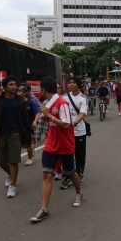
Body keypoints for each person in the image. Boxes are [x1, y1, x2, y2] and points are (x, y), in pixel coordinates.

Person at [30, 76, 83, 223]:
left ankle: (79, 193)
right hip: (51, 145)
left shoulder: (62, 103)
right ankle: (44, 209)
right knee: (46, 174)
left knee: (70, 172)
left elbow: (66, 124)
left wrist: (49, 116)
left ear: (43, 90)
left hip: (65, 145)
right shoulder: (47, 104)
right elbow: (43, 120)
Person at [0, 76, 31, 198]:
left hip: (15, 133)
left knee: (13, 160)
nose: (14, 86)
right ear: (5, 87)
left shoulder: (19, 100)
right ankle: (9, 174)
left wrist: (30, 132)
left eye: (15, 84)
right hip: (1, 133)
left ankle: (12, 185)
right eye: (11, 85)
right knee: (1, 161)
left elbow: (24, 118)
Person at [63, 76, 88, 189]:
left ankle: (79, 174)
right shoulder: (64, 97)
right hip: (66, 132)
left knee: (79, 155)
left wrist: (74, 124)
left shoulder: (82, 98)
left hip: (79, 131)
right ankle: (68, 175)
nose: (71, 84)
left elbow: (82, 113)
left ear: (78, 84)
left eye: (73, 82)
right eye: (70, 82)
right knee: (67, 154)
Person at [17, 85, 39, 166]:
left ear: (25, 93)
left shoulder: (30, 102)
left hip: (28, 125)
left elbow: (37, 112)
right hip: (18, 126)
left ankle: (29, 158)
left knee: (28, 143)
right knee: (18, 143)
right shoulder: (16, 103)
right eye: (17, 91)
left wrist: (35, 121)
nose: (18, 93)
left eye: (20, 91)